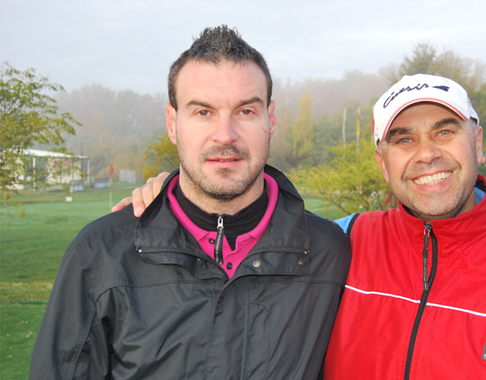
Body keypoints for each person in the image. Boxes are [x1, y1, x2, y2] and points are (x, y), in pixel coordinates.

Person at [119, 74, 486, 379]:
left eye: (444, 131)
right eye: (403, 138)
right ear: (382, 160)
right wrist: (178, 194)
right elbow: (235, 233)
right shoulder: (340, 241)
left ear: (477, 141)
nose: (427, 153)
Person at [30, 25, 350, 380]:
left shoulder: (328, 252)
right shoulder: (100, 255)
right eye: (203, 112)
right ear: (172, 122)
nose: (225, 135)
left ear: (270, 119)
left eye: (245, 111)